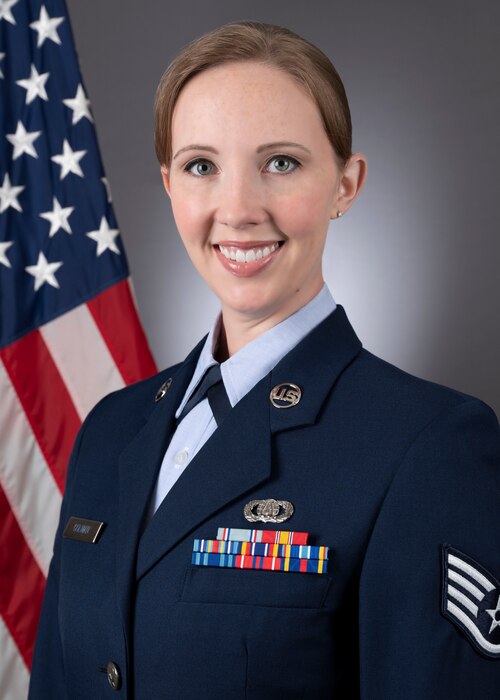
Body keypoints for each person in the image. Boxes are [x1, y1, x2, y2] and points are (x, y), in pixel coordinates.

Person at [28, 21, 500, 699]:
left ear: (346, 182)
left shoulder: (428, 446)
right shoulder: (110, 430)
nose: (238, 209)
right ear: (168, 186)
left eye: (281, 163)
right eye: (201, 166)